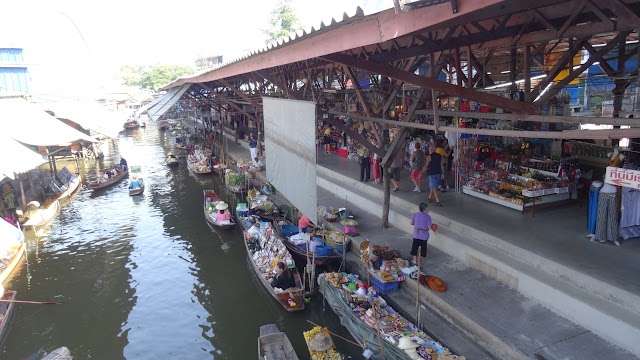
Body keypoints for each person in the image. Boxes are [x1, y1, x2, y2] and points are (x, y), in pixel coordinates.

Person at [410, 203, 432, 273]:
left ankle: (414, 259)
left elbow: (411, 223)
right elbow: (429, 227)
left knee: (415, 247)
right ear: (424, 209)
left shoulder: (416, 214)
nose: (429, 209)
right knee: (423, 247)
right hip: (424, 235)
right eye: (428, 208)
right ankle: (420, 260)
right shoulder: (428, 217)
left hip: (416, 234)